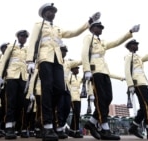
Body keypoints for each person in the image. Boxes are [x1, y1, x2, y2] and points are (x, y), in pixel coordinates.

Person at [26, 3, 100, 141]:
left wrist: (89, 22)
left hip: (57, 61)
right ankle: (47, 126)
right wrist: (30, 60)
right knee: (47, 89)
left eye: (54, 12)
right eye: (49, 11)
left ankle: (45, 119)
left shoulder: (58, 28)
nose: (52, 13)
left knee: (59, 90)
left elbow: (73, 33)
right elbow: (32, 42)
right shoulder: (38, 25)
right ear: (44, 13)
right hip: (44, 59)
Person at [81, 20, 140, 140]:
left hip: (105, 72)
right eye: (98, 27)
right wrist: (87, 70)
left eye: (102, 27)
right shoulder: (88, 38)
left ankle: (91, 122)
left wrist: (130, 32)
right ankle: (105, 129)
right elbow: (84, 53)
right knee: (101, 100)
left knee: (108, 98)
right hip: (95, 71)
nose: (101, 29)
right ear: (92, 28)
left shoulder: (102, 42)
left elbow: (116, 42)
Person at [0, 30, 29, 139]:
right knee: (11, 102)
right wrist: (0, 77)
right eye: (21, 36)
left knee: (21, 103)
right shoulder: (11, 46)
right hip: (11, 76)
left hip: (23, 78)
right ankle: (8, 128)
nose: (23, 38)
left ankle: (16, 127)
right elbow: (4, 61)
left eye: (25, 37)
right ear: (18, 37)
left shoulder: (27, 49)